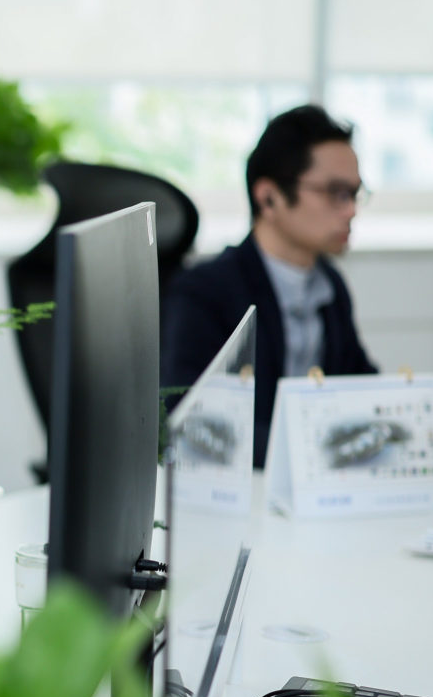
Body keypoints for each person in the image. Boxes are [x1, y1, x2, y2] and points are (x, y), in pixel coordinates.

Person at [161, 105, 377, 468]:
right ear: (269, 197)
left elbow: (359, 384)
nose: (351, 210)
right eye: (335, 192)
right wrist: (312, 447)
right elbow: (187, 417)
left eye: (354, 194)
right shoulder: (205, 292)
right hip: (245, 485)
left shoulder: (329, 286)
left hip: (315, 481)